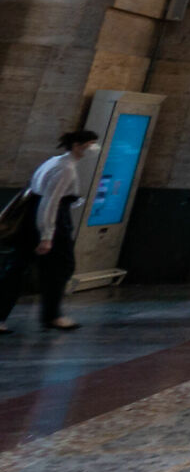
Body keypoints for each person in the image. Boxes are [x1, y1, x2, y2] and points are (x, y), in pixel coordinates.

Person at [0, 129, 96, 331]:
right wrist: (46, 236)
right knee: (61, 267)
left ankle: (46, 315)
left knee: (17, 269)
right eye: (89, 145)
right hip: (49, 223)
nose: (91, 150)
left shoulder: (54, 161)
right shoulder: (65, 169)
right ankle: (52, 316)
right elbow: (50, 203)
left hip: (31, 221)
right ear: (78, 146)